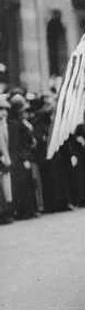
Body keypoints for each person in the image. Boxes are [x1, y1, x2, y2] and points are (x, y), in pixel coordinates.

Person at [7, 94, 38, 220]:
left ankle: (30, 209)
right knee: (22, 186)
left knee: (29, 184)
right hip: (20, 159)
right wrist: (24, 157)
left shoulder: (22, 123)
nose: (25, 113)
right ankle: (24, 211)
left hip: (27, 155)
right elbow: (17, 144)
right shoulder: (14, 124)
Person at [0, 95, 12, 224]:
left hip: (4, 159)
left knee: (5, 188)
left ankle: (6, 211)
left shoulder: (4, 124)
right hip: (1, 158)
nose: (4, 112)